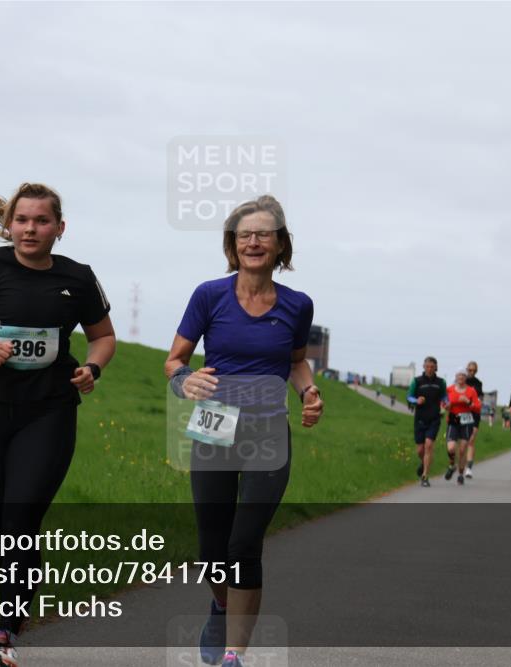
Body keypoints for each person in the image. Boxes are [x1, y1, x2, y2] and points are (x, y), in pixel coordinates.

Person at [0, 182, 116, 667]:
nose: (30, 229)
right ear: (9, 224)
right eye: (22, 220)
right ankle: (24, 578)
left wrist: (92, 368)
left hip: (49, 411)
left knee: (20, 519)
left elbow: (104, 337)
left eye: (41, 220)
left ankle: (5, 636)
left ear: (59, 227)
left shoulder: (78, 277)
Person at [164, 195, 322, 667]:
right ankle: (220, 605)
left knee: (244, 544)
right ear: (233, 245)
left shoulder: (298, 305)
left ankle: (234, 653)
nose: (253, 242)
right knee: (212, 551)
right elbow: (175, 361)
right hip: (214, 424)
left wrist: (309, 391)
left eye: (263, 234)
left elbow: (296, 362)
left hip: (268, 430)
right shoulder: (209, 295)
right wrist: (184, 380)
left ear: (280, 245)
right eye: (244, 235)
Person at [407, 357, 448, 488]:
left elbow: (444, 396)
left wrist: (446, 403)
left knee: (429, 445)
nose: (429, 369)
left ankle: (425, 476)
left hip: (434, 418)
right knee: (420, 450)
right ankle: (425, 462)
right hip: (420, 418)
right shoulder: (417, 381)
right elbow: (409, 396)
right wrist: (416, 400)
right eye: (427, 366)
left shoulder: (441, 382)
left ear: (436, 368)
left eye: (432, 367)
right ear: (424, 367)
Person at [444, 368, 481, 485]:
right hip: (453, 420)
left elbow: (478, 408)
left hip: (466, 421)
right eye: (459, 375)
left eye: (463, 376)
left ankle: (460, 474)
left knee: (462, 449)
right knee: (451, 448)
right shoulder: (449, 389)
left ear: (466, 378)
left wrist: (468, 402)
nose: (461, 377)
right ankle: (452, 465)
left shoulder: (471, 391)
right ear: (456, 377)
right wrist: (446, 406)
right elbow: (443, 403)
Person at [464, 361, 484, 478]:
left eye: (474, 370)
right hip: (462, 413)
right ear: (466, 369)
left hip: (474, 413)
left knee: (471, 440)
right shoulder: (461, 380)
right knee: (463, 442)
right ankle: (459, 464)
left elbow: (479, 397)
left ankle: (469, 468)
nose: (471, 372)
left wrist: (477, 402)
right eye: (470, 370)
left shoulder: (478, 383)